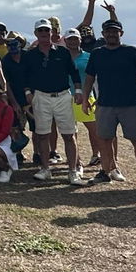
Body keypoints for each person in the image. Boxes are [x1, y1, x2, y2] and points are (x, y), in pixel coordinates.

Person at [78, 19, 136, 189]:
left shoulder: (132, 52)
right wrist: (85, 99)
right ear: (103, 34)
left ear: (121, 32)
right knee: (104, 140)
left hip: (131, 105)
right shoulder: (97, 53)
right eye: (108, 31)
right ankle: (105, 172)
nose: (111, 34)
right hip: (105, 105)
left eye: (115, 31)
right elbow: (89, 78)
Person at [21, 19, 84, 185]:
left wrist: (78, 91)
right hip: (41, 96)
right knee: (42, 135)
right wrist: (28, 92)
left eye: (46, 30)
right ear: (36, 33)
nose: (44, 34)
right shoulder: (30, 55)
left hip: (63, 95)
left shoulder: (62, 52)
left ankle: (73, 171)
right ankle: (45, 169)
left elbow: (74, 73)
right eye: (40, 31)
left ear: (52, 32)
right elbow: (25, 76)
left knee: (69, 135)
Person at [65, 30, 102, 170]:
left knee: (93, 128)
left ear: (80, 40)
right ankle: (76, 159)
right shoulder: (62, 56)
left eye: (75, 39)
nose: (73, 42)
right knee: (71, 131)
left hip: (86, 96)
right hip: (66, 96)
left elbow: (96, 77)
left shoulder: (89, 56)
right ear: (66, 41)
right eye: (70, 39)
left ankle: (96, 154)